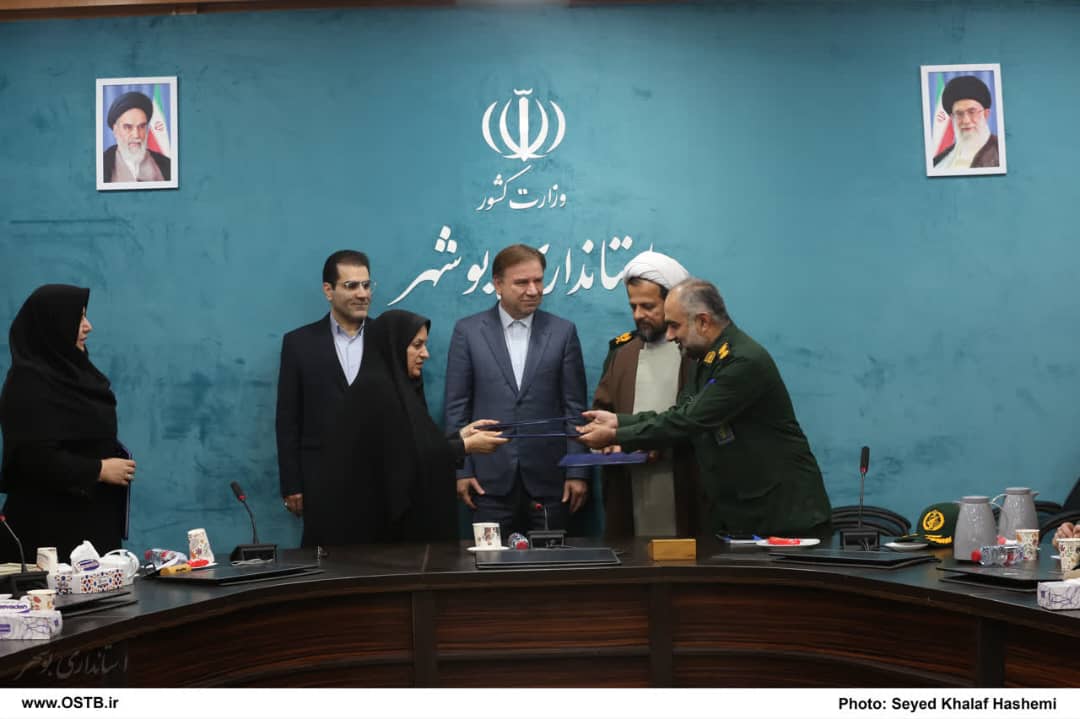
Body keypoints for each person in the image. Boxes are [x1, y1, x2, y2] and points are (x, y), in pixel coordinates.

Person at [576, 278, 832, 538]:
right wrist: (619, 421)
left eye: (675, 325)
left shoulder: (742, 361)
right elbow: (679, 414)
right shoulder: (706, 360)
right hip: (744, 514)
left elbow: (689, 421)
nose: (669, 335)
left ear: (703, 322)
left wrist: (616, 435)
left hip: (785, 514)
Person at [318, 310, 507, 544]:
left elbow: (416, 444)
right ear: (393, 346)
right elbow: (402, 460)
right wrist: (465, 446)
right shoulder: (376, 392)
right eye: (417, 345)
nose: (425, 354)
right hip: (374, 540)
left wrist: (460, 436)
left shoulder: (401, 388)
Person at [444, 244, 589, 539]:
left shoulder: (563, 332)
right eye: (522, 282)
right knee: (489, 563)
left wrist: (577, 471)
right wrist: (462, 470)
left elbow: (575, 408)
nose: (533, 290)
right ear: (498, 284)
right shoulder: (468, 332)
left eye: (538, 280)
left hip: (551, 482)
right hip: (487, 483)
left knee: (553, 563)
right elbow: (457, 407)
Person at [0, 285, 136, 562]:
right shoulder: (28, 385)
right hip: (47, 534)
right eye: (78, 318)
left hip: (91, 526)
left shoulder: (75, 375)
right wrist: (99, 470)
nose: (88, 326)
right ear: (52, 325)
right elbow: (33, 458)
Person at [592, 250, 698, 538]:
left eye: (648, 306)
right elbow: (603, 412)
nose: (639, 315)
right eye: (633, 306)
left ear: (673, 302)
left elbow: (699, 420)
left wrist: (655, 443)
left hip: (685, 482)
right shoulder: (622, 352)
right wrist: (609, 443)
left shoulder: (696, 353)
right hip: (629, 487)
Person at [276, 250, 374, 547]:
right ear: (328, 290)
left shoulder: (388, 338)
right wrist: (292, 484)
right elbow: (288, 419)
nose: (362, 294)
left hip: (379, 482)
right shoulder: (299, 343)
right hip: (320, 484)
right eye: (351, 286)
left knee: (382, 564)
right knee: (324, 564)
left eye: (366, 285)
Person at [102, 91, 172, 183]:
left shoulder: (167, 165)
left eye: (141, 126)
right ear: (115, 130)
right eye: (128, 127)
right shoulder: (102, 164)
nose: (136, 135)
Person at [932, 75, 999, 170]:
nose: (966, 121)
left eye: (972, 112)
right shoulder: (938, 161)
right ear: (952, 118)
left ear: (985, 114)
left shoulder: (1000, 151)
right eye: (959, 114)